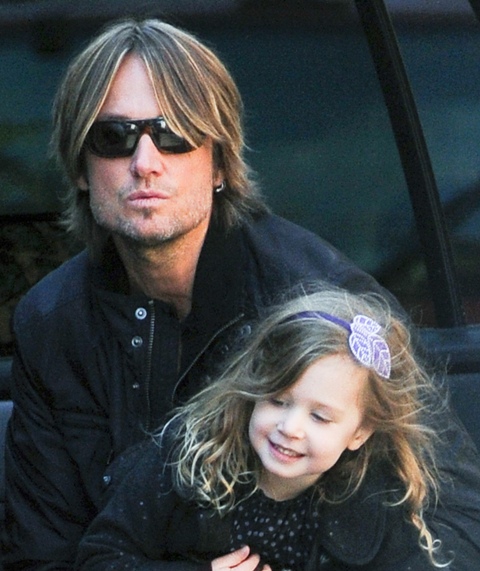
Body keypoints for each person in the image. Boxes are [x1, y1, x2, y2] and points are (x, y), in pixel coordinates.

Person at [2, 17, 480, 571]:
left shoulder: (327, 308)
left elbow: (459, 526)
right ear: (81, 168)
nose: (145, 162)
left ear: (220, 162)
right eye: (114, 137)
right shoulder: (51, 322)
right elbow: (41, 557)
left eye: (174, 132)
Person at [75, 287, 461, 570]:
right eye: (277, 400)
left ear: (360, 432)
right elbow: (100, 557)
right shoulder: (188, 459)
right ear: (253, 390)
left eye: (319, 417)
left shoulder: (377, 501)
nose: (290, 427)